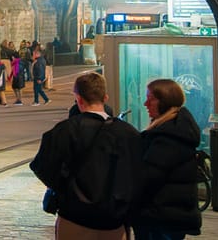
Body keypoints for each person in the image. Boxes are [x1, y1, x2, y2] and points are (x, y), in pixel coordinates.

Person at [29, 71, 139, 238]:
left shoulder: (64, 131)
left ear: (78, 99)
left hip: (74, 216)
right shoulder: (127, 133)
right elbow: (137, 174)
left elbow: (43, 167)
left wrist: (65, 188)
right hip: (114, 219)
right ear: (105, 98)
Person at [126, 79, 202, 240]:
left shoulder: (168, 136)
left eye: (151, 98)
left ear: (165, 101)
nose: (146, 103)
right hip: (166, 215)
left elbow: (149, 176)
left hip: (160, 216)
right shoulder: (171, 129)